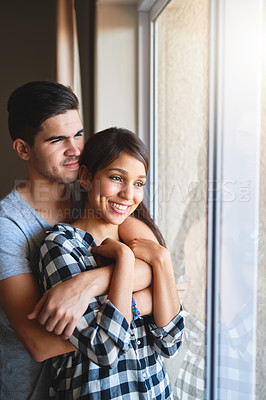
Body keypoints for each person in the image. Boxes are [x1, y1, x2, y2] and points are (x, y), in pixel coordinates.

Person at [0, 81, 153, 399]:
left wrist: (88, 284)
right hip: (35, 391)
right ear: (23, 149)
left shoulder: (97, 192)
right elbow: (39, 344)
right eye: (57, 139)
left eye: (79, 134)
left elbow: (153, 260)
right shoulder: (7, 226)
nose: (76, 149)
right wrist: (145, 301)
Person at [38, 127, 184, 399]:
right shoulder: (61, 245)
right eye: (117, 178)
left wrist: (162, 260)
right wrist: (125, 261)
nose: (129, 194)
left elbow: (170, 342)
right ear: (85, 177)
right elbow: (104, 348)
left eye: (139, 183)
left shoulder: (141, 243)